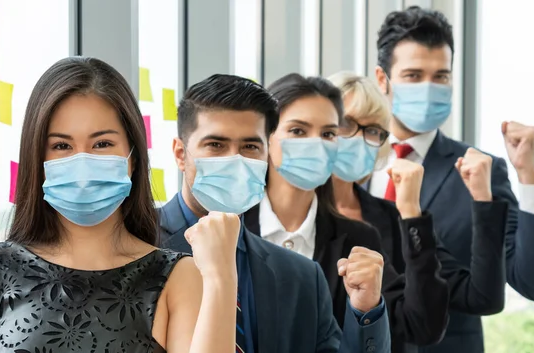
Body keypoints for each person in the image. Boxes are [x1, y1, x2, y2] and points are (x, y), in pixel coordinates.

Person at [0, 57, 239, 353]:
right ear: (36, 160)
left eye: (102, 144)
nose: (82, 162)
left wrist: (221, 277)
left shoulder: (179, 279)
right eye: (61, 146)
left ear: (133, 157)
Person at [159, 74, 391, 353]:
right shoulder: (134, 245)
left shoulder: (302, 276)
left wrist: (366, 311)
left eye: (250, 147)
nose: (235, 159)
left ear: (267, 152)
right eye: (216, 145)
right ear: (181, 154)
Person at [372, 6, 534, 352]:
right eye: (413, 75)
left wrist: (527, 177)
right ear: (383, 80)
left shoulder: (481, 172)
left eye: (440, 76)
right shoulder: (354, 166)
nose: (429, 88)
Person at [242, 73, 449, 353]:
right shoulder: (230, 225)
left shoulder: (360, 236)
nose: (316, 144)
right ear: (264, 137)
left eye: (328, 133)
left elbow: (415, 326)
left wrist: (369, 307)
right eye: (298, 131)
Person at [328, 72, 509, 347]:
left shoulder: (390, 218)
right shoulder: (294, 213)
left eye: (373, 130)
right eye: (346, 124)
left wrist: (481, 199)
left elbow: (479, 297)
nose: (357, 139)